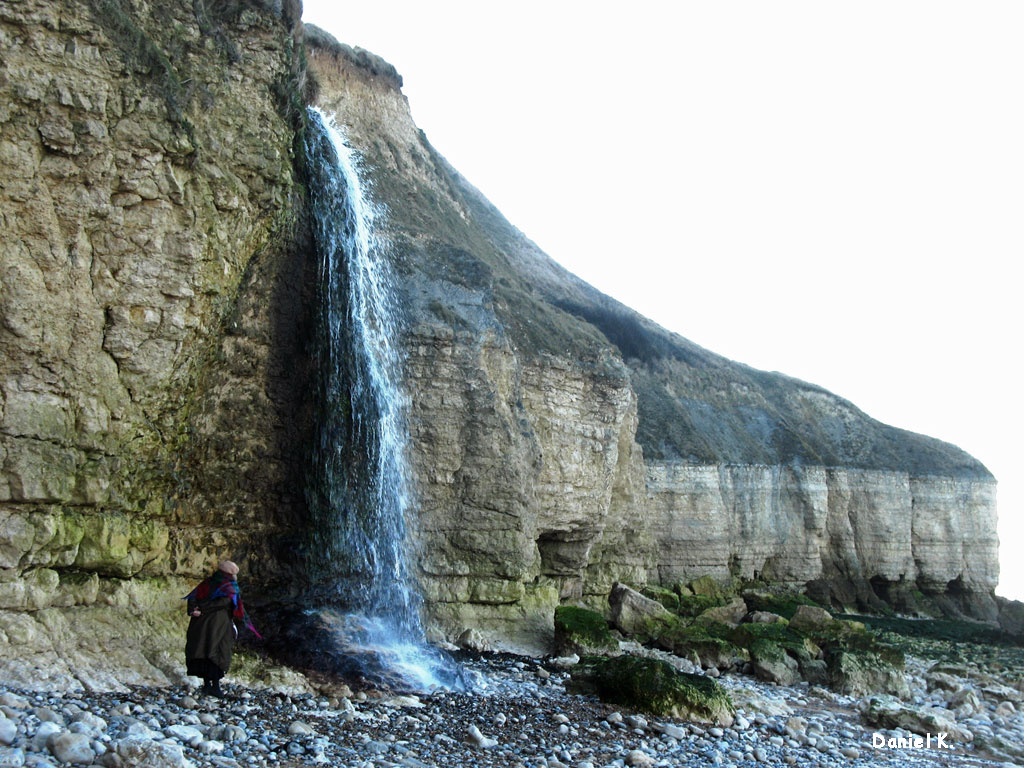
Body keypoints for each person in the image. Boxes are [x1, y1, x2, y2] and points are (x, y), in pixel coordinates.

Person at [183, 560, 261, 697]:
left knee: (203, 650)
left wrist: (194, 610)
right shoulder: (230, 587)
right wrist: (201, 609)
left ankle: (208, 686)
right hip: (219, 625)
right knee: (218, 651)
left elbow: (193, 597)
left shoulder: (209, 582)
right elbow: (226, 602)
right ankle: (215, 687)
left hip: (201, 624)